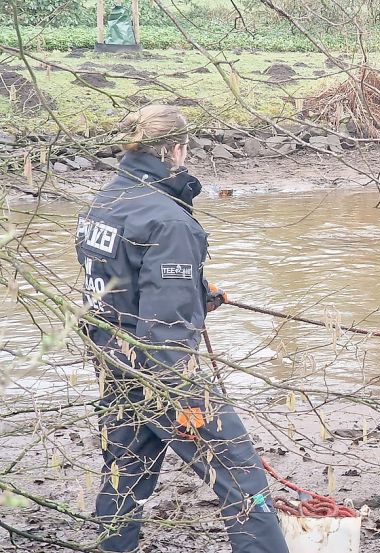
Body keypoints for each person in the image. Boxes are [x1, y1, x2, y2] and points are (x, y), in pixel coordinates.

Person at [75, 105, 289, 553]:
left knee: (124, 473)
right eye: (185, 148)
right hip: (164, 375)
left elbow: (119, 286)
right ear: (174, 150)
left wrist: (194, 291)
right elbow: (165, 327)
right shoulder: (168, 220)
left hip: (114, 364)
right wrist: (183, 399)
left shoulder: (105, 201)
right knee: (241, 476)